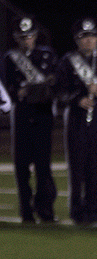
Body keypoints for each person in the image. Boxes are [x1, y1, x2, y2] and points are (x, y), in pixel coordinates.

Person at [55, 18, 97, 225]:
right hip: (76, 120)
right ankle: (77, 211)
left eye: (92, 37)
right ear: (77, 40)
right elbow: (60, 92)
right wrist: (77, 98)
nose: (89, 41)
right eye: (84, 37)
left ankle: (94, 211)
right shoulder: (67, 62)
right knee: (77, 167)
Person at [2, 16, 58, 223]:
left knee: (44, 166)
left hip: (42, 115)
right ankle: (26, 210)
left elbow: (53, 83)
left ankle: (45, 210)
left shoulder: (47, 55)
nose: (27, 40)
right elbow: (9, 87)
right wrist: (21, 92)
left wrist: (35, 89)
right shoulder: (10, 58)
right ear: (17, 38)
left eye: (30, 36)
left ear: (35, 36)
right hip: (23, 115)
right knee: (21, 165)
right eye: (23, 37)